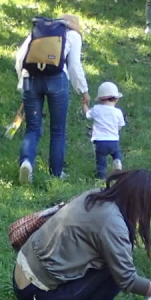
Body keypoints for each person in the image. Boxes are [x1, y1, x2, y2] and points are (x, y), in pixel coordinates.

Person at [12, 170, 151, 300]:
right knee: (114, 271)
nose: (147, 213)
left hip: (20, 279)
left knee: (111, 260)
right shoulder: (112, 223)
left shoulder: (95, 195)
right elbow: (127, 280)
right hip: (38, 295)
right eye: (149, 206)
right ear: (136, 199)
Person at [13, 13, 91, 183]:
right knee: (58, 130)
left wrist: (22, 83)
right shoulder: (73, 36)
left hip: (30, 79)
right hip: (57, 81)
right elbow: (75, 67)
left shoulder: (39, 32)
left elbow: (20, 58)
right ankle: (56, 173)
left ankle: (26, 162)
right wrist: (83, 91)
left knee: (32, 128)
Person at [86, 80, 125, 180]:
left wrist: (84, 105)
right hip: (113, 140)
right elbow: (120, 126)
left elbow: (87, 114)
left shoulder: (97, 109)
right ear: (116, 99)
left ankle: (101, 176)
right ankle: (117, 161)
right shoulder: (118, 112)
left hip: (100, 141)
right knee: (116, 152)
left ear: (99, 99)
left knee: (101, 159)